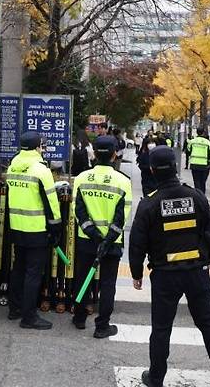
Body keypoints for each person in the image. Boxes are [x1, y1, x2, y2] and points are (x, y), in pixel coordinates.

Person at [129, 146, 210, 387]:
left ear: (152, 170)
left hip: (165, 276)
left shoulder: (149, 204)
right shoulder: (196, 197)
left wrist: (136, 273)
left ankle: (155, 378)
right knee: (209, 324)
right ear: (176, 168)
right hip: (196, 272)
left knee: (161, 329)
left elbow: (138, 243)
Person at [71, 135, 132, 338]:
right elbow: (122, 216)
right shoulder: (123, 181)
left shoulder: (81, 178)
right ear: (115, 154)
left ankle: (79, 318)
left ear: (94, 154)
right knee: (107, 284)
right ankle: (102, 326)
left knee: (82, 279)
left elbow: (78, 211)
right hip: (112, 242)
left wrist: (94, 235)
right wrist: (106, 239)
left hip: (86, 239)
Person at [6, 131, 62, 330]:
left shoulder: (13, 164)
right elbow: (51, 202)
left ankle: (15, 308)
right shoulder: (41, 170)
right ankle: (29, 317)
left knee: (18, 268)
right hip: (36, 229)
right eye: (42, 145)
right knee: (33, 273)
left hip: (16, 226)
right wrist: (56, 228)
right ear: (37, 147)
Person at [188, 127, 210, 194]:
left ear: (197, 132)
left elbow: (188, 150)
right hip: (204, 165)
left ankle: (197, 195)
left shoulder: (192, 141)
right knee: (203, 182)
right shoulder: (207, 142)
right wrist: (209, 163)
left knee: (196, 181)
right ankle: (202, 195)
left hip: (194, 164)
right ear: (203, 133)